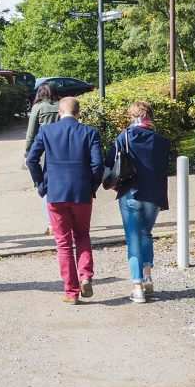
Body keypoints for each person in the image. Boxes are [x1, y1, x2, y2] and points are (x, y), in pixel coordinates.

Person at [25, 96, 103, 304]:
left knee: (63, 243)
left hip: (56, 193)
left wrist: (42, 186)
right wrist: (92, 186)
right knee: (83, 235)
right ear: (78, 113)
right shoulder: (90, 132)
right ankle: (86, 275)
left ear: (60, 111)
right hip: (81, 193)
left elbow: (31, 160)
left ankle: (71, 291)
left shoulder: (47, 132)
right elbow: (98, 165)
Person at [105, 100, 170, 304]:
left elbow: (108, 162)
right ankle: (148, 277)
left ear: (131, 116)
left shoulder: (124, 137)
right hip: (154, 195)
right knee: (145, 234)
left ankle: (137, 286)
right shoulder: (161, 141)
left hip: (130, 193)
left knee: (133, 239)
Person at [24, 82, 62, 236]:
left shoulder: (38, 108)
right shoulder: (62, 105)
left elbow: (31, 133)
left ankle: (51, 222)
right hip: (62, 150)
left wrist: (28, 152)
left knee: (45, 185)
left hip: (44, 151)